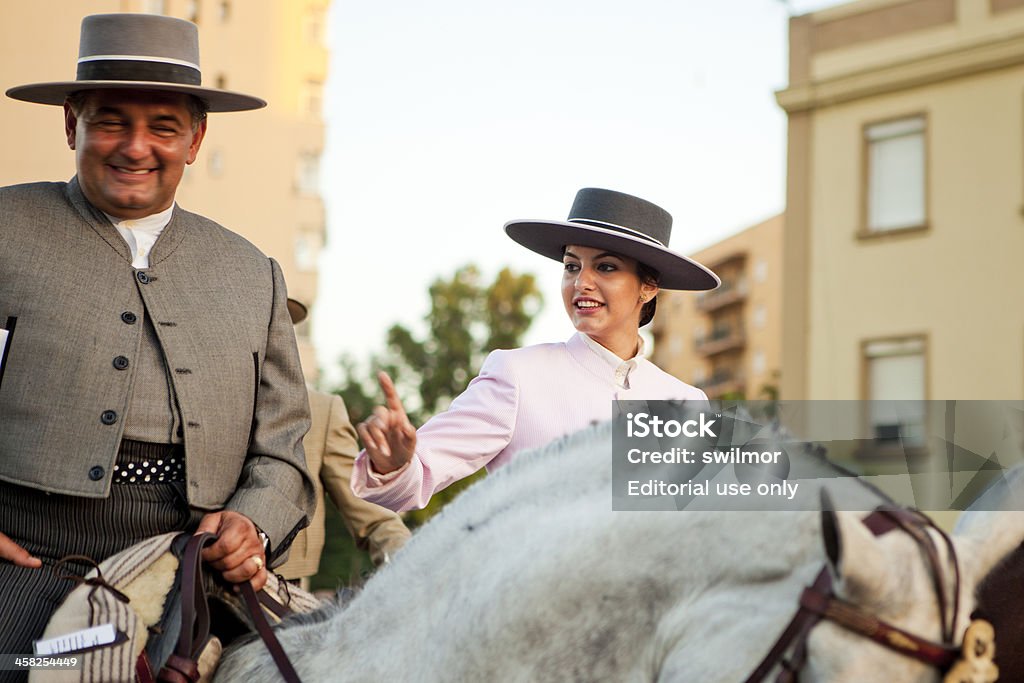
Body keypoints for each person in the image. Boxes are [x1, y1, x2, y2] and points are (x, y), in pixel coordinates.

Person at [0, 13, 316, 663]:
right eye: (111, 119)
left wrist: (252, 523)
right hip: (27, 572)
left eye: (164, 127)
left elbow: (283, 451)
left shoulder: (253, 275)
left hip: (199, 583)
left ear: (195, 140)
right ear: (71, 124)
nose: (135, 146)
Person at [352, 187, 719, 511]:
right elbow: (416, 476)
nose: (581, 282)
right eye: (571, 266)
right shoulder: (518, 375)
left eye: (605, 267)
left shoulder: (689, 401)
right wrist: (393, 463)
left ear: (648, 287)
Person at [277, 300, 410, 588]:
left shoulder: (321, 411)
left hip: (281, 600)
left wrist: (417, 568)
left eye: (279, 323)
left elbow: (375, 520)